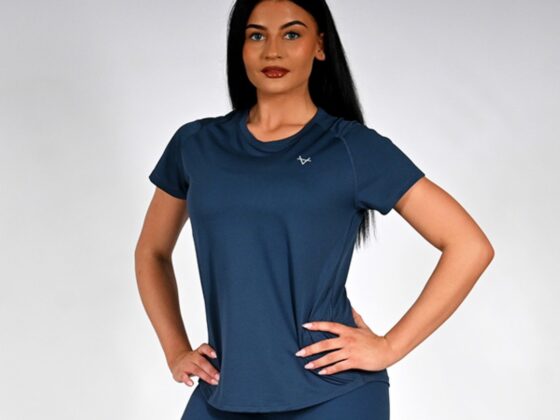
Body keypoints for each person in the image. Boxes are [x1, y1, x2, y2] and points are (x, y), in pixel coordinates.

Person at [134, 0, 495, 419]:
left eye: (292, 34)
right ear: (240, 49)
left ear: (319, 46)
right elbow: (152, 252)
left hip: (333, 396)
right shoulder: (196, 145)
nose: (273, 51)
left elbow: (469, 246)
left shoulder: (350, 147)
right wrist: (175, 349)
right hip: (222, 392)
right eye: (256, 35)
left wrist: (389, 347)